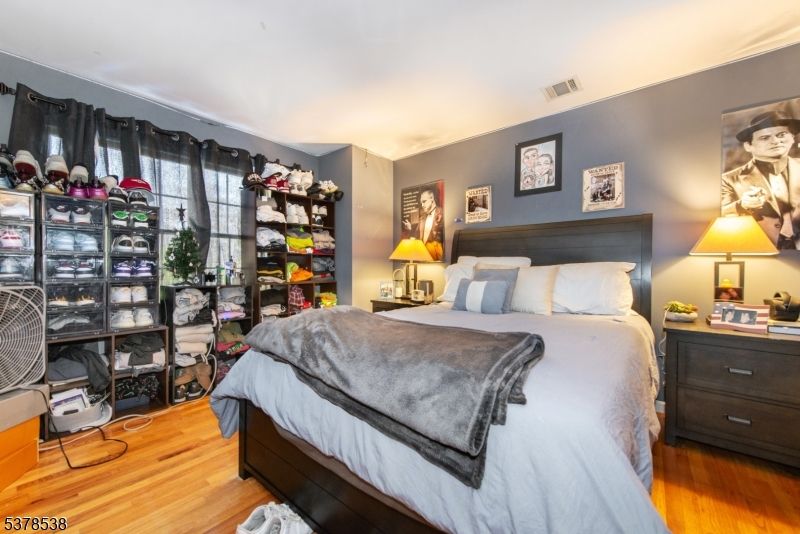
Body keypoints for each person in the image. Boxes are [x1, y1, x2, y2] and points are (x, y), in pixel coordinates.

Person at [722, 110, 800, 249]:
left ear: (793, 138)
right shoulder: (729, 180)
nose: (776, 141)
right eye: (765, 138)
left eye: (781, 135)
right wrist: (742, 205)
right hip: (760, 250)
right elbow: (721, 214)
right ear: (748, 146)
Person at [402, 188, 444, 261]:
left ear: (432, 198)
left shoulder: (442, 213)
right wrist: (410, 229)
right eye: (421, 202)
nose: (422, 205)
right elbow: (417, 237)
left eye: (424, 201)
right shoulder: (421, 217)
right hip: (422, 257)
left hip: (436, 257)